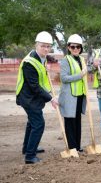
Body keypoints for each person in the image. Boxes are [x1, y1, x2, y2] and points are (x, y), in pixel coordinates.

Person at [16, 31, 58, 164]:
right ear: (36, 45)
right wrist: (51, 98)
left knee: (32, 123)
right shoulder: (29, 63)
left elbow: (46, 59)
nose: (46, 49)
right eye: (43, 46)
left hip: (33, 97)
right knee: (39, 124)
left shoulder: (41, 56)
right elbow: (34, 86)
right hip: (28, 98)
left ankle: (26, 148)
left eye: (48, 46)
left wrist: (52, 59)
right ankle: (30, 156)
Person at [58, 34, 87, 152]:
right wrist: (80, 75)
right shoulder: (66, 60)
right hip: (69, 96)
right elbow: (64, 78)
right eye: (73, 47)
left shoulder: (81, 59)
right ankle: (72, 147)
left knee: (78, 121)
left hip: (79, 95)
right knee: (70, 121)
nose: (76, 49)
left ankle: (78, 146)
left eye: (78, 47)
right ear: (69, 47)